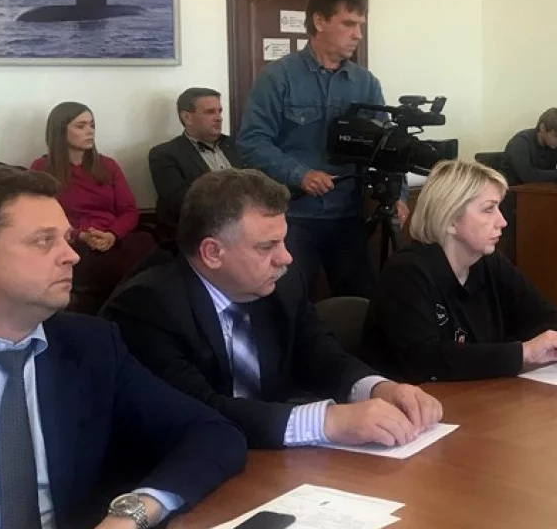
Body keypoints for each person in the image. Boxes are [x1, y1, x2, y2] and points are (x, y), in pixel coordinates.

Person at [0, 166, 246, 529]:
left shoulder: (90, 346)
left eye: (67, 239)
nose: (71, 256)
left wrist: (127, 518)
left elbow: (215, 434)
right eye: (43, 241)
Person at [100, 169, 442, 450]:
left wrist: (378, 388)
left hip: (269, 463)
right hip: (177, 469)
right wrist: (327, 421)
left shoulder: (278, 283)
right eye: (267, 247)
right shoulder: (147, 305)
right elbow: (198, 409)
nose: (286, 258)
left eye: (284, 241)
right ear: (212, 253)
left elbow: (320, 355)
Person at [237, 0, 408, 299]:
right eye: (348, 23)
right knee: (288, 303)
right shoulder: (278, 77)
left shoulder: (365, 83)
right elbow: (252, 141)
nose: (358, 34)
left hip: (349, 217)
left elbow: (386, 147)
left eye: (360, 25)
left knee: (361, 302)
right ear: (319, 21)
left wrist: (397, 195)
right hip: (291, 217)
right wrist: (300, 174)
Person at [364, 159, 557, 382]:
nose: (502, 221)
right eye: (488, 209)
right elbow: (425, 359)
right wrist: (523, 353)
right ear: (450, 219)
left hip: (482, 396)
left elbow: (540, 313)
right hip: (416, 405)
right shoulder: (406, 273)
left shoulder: (488, 262)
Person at [30, 103, 156, 309]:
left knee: (147, 253)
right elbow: (40, 215)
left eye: (92, 125)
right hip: (71, 239)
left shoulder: (107, 165)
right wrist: (79, 235)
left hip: (113, 238)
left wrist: (112, 234)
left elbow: (129, 211)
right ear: (60, 131)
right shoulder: (42, 168)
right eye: (80, 126)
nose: (90, 131)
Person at [149, 87, 243, 237]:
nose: (219, 118)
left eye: (219, 111)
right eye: (210, 112)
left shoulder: (236, 145)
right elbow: (179, 202)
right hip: (198, 234)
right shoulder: (164, 154)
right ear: (187, 117)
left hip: (243, 229)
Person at [502, 108, 557, 185]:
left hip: (541, 191)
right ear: (542, 128)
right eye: (556, 136)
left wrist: (548, 174)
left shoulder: (556, 144)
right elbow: (528, 176)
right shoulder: (520, 143)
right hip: (512, 192)